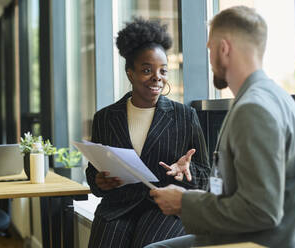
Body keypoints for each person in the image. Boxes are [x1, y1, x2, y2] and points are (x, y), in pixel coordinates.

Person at [147, 6, 295, 248]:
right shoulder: (275, 98)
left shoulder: (253, 109)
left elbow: (261, 211)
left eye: (210, 48)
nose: (209, 59)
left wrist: (184, 203)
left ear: (224, 49)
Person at [86, 18, 211, 248]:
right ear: (130, 73)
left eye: (163, 71)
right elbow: (93, 177)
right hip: (117, 209)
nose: (157, 77)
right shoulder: (105, 118)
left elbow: (205, 176)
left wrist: (187, 171)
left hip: (164, 209)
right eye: (146, 70)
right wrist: (100, 181)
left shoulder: (185, 116)